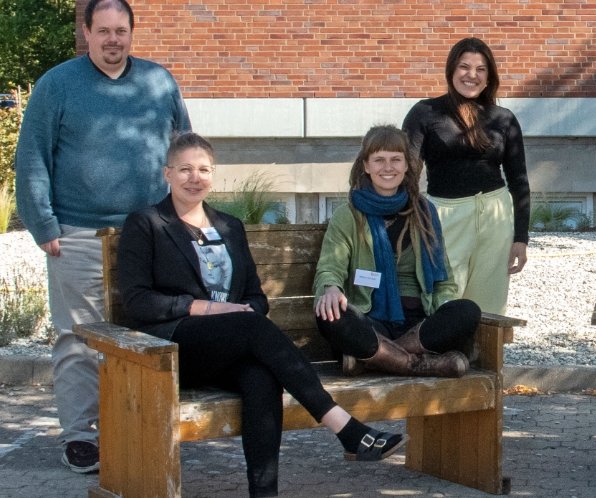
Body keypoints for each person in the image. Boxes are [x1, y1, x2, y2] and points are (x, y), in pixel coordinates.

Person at [117, 133, 405, 498]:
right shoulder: (147, 224)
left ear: (213, 174)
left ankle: (265, 493)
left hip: (231, 345)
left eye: (203, 170)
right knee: (252, 326)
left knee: (261, 376)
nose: (195, 178)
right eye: (185, 169)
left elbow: (255, 297)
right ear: (167, 174)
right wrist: (211, 308)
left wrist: (241, 313)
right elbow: (138, 301)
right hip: (172, 350)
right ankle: (345, 428)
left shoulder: (229, 227)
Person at [13, 0, 191, 473]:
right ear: (87, 33)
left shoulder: (158, 81)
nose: (113, 40)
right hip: (77, 233)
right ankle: (81, 438)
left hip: (152, 232)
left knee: (149, 332)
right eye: (104, 31)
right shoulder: (58, 85)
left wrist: (185, 215)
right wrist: (44, 226)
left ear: (132, 33)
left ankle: (143, 425)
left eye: (121, 31)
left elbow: (184, 147)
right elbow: (32, 157)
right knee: (78, 339)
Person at [314, 125, 479, 378]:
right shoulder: (348, 216)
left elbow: (443, 278)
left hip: (419, 323)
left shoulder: (425, 212)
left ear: (406, 166)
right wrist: (331, 288)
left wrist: (445, 305)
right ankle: (416, 364)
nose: (387, 167)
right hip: (371, 322)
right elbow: (330, 267)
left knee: (467, 311)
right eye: (379, 160)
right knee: (331, 317)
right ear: (366, 166)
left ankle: (375, 360)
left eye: (395, 160)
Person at [401, 37, 530, 315]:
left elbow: (519, 182)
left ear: (488, 77)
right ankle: (444, 358)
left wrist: (521, 238)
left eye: (480, 69)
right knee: (442, 301)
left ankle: (485, 358)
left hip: (496, 217)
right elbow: (407, 176)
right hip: (444, 216)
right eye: (464, 67)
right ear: (451, 70)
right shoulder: (424, 113)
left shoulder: (504, 119)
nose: (471, 75)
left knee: (490, 306)